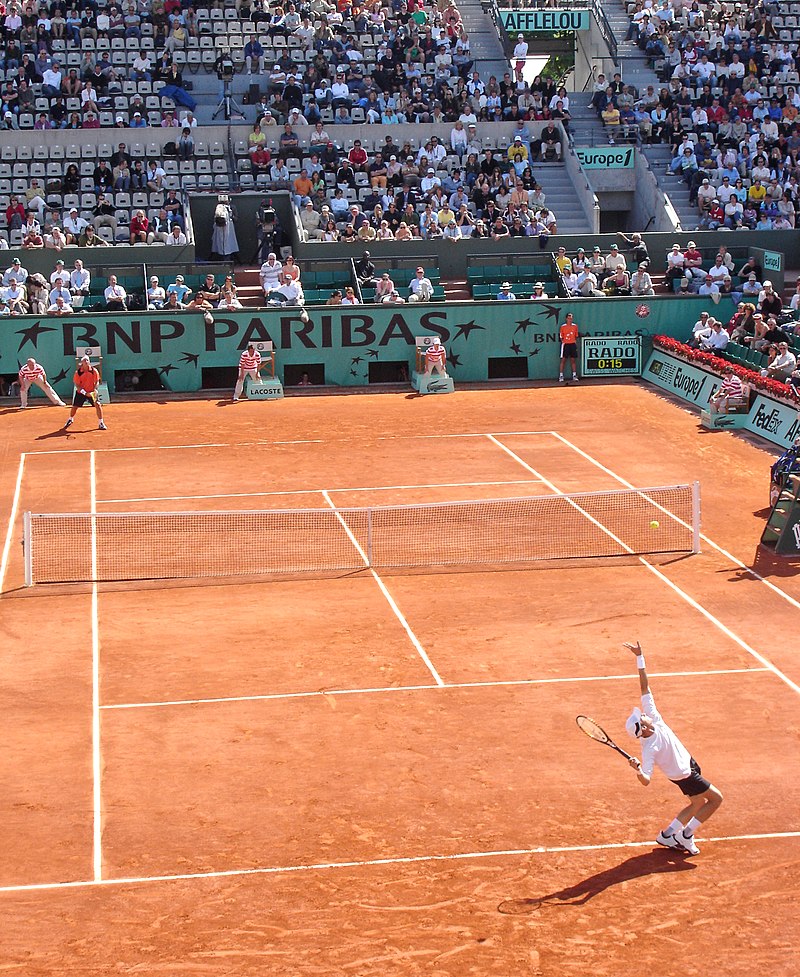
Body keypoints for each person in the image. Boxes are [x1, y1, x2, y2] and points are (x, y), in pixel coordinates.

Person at [624, 640, 723, 855]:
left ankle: (667, 835)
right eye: (641, 716)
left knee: (696, 802)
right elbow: (646, 780)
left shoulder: (653, 717)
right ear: (643, 727)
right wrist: (638, 769)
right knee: (716, 799)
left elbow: (644, 687)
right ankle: (686, 835)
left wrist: (639, 657)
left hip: (687, 763)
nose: (643, 713)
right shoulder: (649, 747)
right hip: (684, 774)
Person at [64, 356, 107, 430]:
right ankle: (70, 419)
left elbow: (97, 381)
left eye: (87, 360)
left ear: (89, 362)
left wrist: (94, 390)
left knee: (98, 405)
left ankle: (101, 423)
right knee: (75, 407)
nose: (86, 361)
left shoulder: (94, 371)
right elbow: (77, 385)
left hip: (92, 391)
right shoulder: (78, 373)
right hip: (81, 392)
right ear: (82, 363)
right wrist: (85, 393)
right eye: (84, 360)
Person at [559, 313, 579, 383]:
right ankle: (561, 376)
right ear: (566, 319)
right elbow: (561, 337)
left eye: (571, 318)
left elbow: (576, 336)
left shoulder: (575, 326)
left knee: (573, 360)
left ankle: (574, 376)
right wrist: (565, 342)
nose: (570, 320)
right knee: (563, 360)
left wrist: (573, 341)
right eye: (568, 318)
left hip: (573, 344)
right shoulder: (563, 327)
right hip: (565, 345)